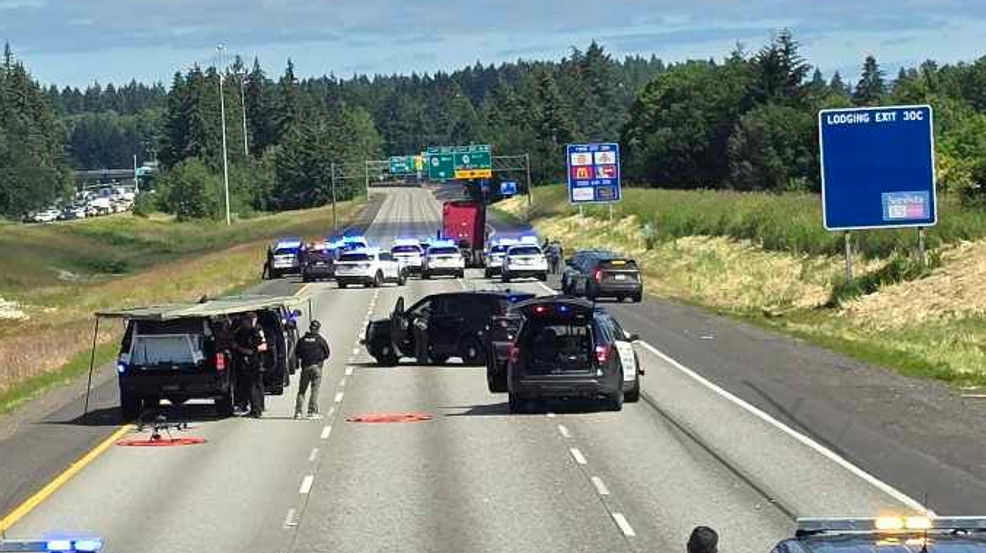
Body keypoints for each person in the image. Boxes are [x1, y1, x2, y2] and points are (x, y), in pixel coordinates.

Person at [233, 312, 268, 418]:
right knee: (256, 385)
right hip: (253, 361)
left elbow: (263, 346)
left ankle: (256, 410)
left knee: (253, 386)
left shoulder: (256, 330)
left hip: (254, 362)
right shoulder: (242, 330)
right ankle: (258, 407)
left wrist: (247, 350)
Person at [294, 320, 331, 420]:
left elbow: (297, 353)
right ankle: (312, 411)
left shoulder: (302, 340)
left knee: (301, 391)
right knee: (314, 390)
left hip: (305, 367)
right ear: (318, 329)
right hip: (316, 367)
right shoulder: (320, 340)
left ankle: (298, 412)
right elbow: (327, 353)